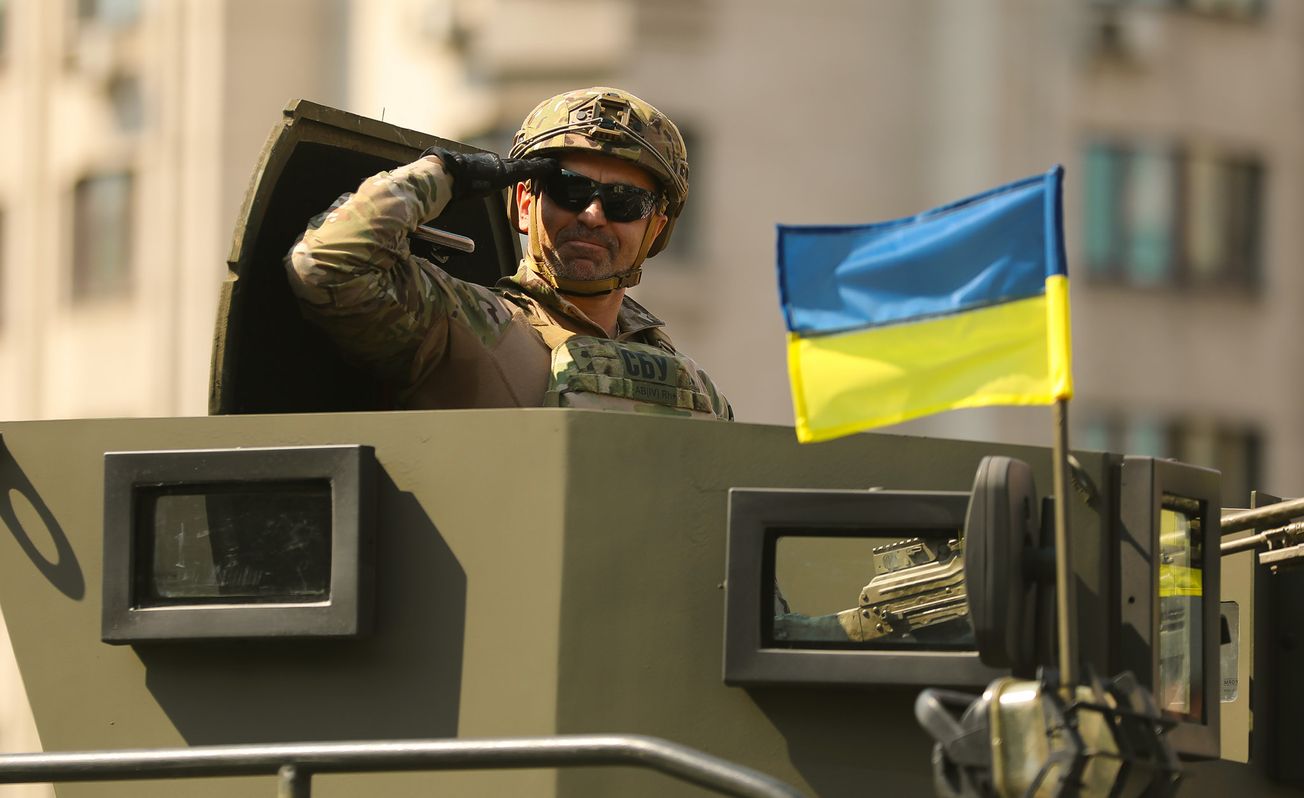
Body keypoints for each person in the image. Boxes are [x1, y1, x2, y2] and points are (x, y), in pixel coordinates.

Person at [285, 87, 732, 420]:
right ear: (523, 203)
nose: (593, 215)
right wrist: (444, 174)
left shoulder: (694, 389)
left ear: (655, 229)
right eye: (569, 189)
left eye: (624, 202)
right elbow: (327, 264)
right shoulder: (456, 323)